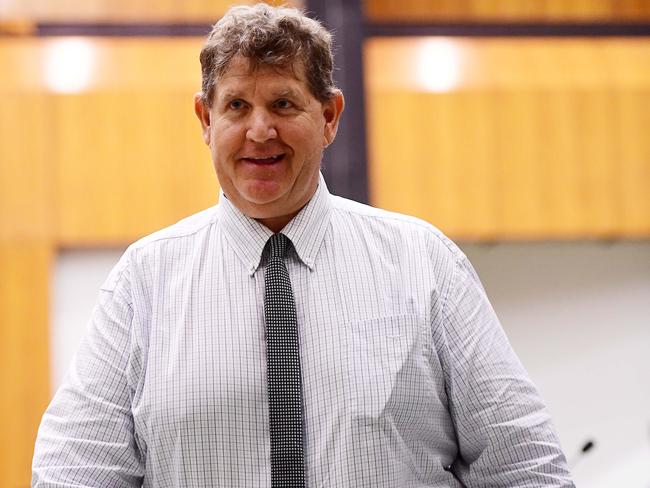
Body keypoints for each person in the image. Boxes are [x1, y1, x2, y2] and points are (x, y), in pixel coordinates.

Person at [32, 4, 574, 487]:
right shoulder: (143, 282)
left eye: (284, 104)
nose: (260, 130)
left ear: (330, 116)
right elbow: (74, 472)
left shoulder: (423, 264)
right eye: (237, 106)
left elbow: (525, 467)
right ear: (206, 119)